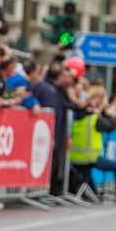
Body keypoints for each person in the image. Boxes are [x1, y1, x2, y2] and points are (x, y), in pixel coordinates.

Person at [70, 86, 116, 203]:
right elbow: (109, 127)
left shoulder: (78, 115)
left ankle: (93, 193)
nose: (96, 100)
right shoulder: (94, 117)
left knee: (90, 182)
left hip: (75, 157)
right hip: (89, 157)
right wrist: (111, 116)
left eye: (99, 98)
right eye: (95, 97)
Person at [31, 61, 75, 197]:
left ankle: (44, 192)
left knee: (51, 164)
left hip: (53, 134)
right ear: (58, 76)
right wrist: (51, 136)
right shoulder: (47, 88)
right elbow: (50, 114)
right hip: (46, 135)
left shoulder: (54, 89)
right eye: (64, 76)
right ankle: (40, 192)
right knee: (47, 163)